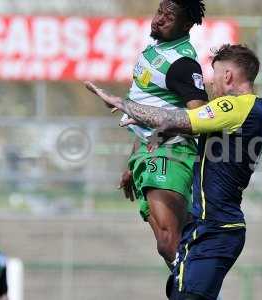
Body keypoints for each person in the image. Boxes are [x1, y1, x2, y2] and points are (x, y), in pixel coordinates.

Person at [86, 43, 262, 300]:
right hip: (212, 227)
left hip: (215, 229)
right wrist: (155, 131)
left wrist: (122, 103)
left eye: (214, 76)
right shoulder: (255, 110)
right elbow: (181, 126)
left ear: (227, 76)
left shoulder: (235, 106)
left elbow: (179, 118)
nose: (211, 85)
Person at [115, 0, 208, 269]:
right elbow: (151, 112)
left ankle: (198, 290)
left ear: (186, 24)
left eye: (170, 16)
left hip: (171, 151)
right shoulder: (156, 49)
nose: (160, 20)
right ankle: (196, 288)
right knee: (174, 241)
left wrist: (158, 140)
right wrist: (133, 162)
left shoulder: (182, 63)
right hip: (150, 151)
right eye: (160, 12)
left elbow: (199, 116)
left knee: (169, 243)